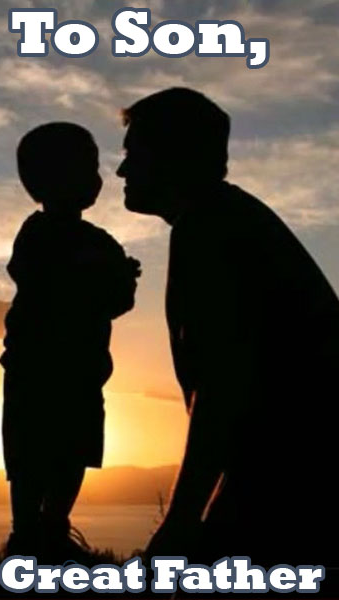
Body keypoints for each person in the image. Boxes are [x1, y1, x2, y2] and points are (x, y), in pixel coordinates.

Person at [117, 88, 339, 584]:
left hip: (298, 476)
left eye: (133, 154)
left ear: (175, 155)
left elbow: (220, 389)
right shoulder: (224, 218)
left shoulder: (210, 228)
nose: (121, 172)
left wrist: (180, 520)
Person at [0, 122, 140, 561]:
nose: (98, 179)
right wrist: (98, 276)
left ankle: (54, 530)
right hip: (34, 370)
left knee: (72, 454)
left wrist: (118, 280)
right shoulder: (36, 234)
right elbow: (35, 278)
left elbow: (119, 300)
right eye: (87, 168)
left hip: (82, 374)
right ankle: (26, 535)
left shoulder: (100, 242)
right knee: (28, 459)